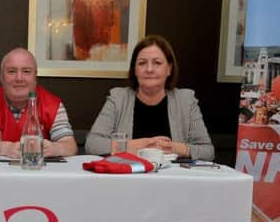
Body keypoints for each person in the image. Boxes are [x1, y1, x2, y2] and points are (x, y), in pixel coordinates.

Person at [85, 35, 214, 161]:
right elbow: (92, 144)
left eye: (157, 63)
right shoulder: (118, 98)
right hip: (127, 178)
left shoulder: (186, 100)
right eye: (142, 63)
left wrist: (173, 147)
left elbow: (208, 152)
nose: (149, 69)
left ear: (169, 69)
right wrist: (141, 144)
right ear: (135, 70)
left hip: (174, 179)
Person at [0, 48, 78, 159]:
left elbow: (70, 145)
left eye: (26, 71)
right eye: (11, 71)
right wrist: (7, 148)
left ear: (35, 76)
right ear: (1, 77)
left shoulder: (53, 105)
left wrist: (55, 148)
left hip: (38, 172)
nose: (19, 78)